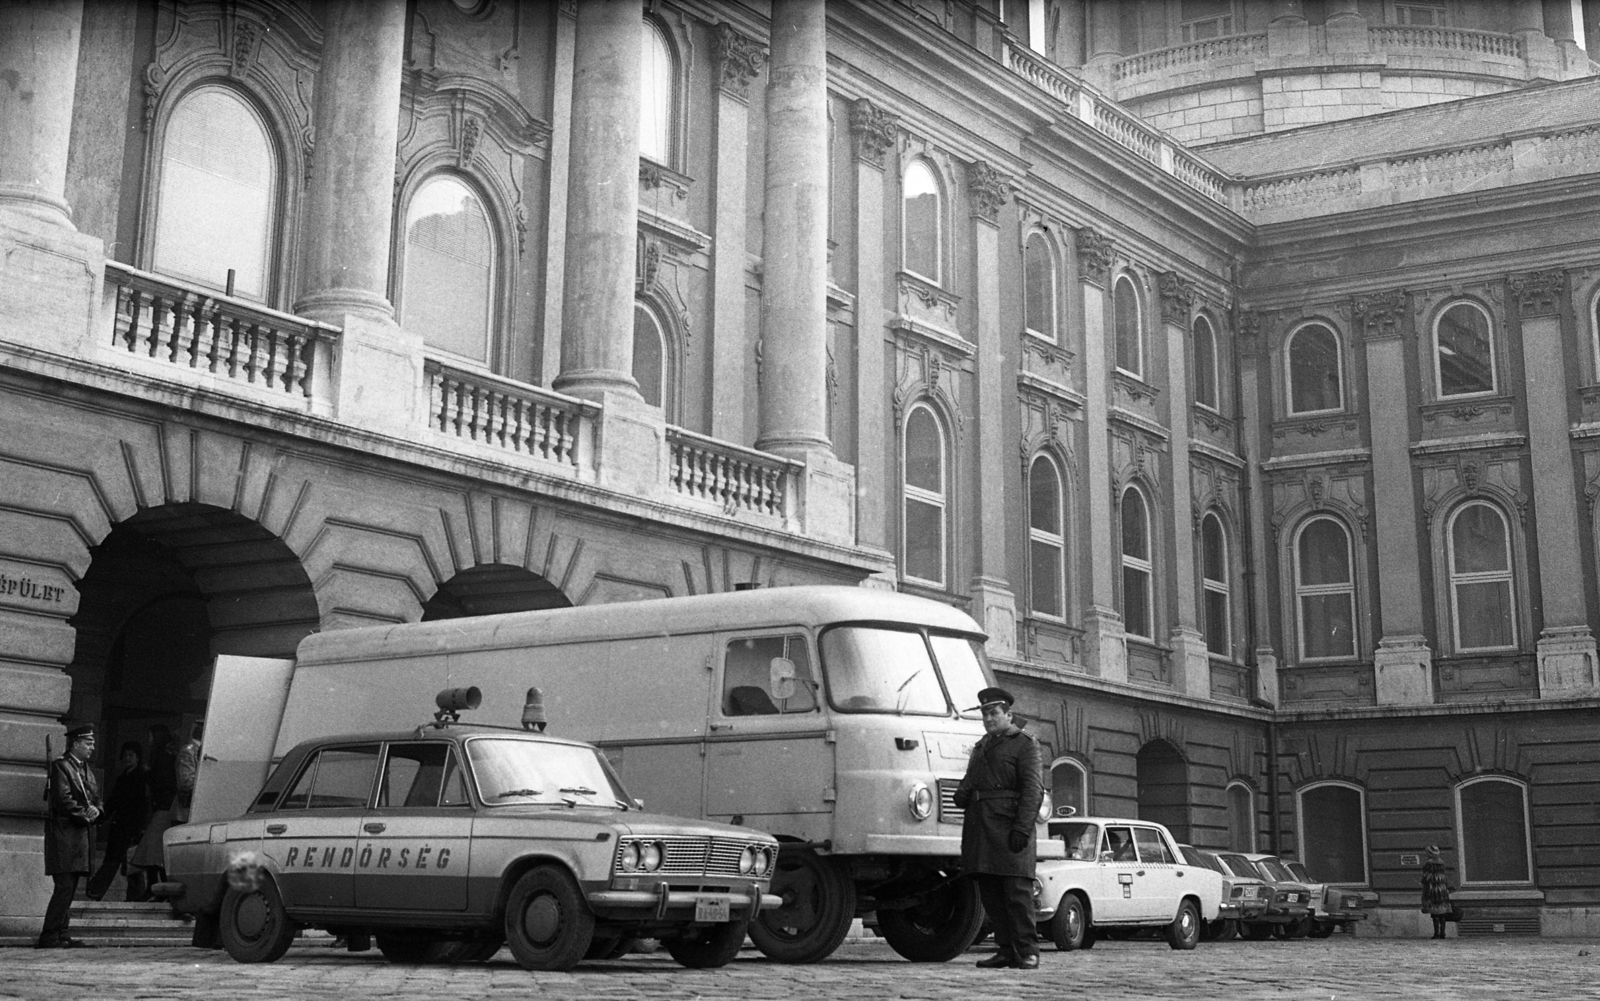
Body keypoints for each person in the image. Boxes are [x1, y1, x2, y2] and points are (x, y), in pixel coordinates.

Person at [952, 686, 1044, 970]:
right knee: (991, 894)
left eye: (994, 713)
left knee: (1017, 894)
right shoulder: (981, 746)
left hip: (1009, 829)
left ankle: (1028, 951)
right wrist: (963, 792)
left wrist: (1022, 828)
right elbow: (971, 780)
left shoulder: (1025, 743)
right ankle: (1006, 950)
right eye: (985, 714)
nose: (989, 718)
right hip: (981, 830)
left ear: (1008, 714)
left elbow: (1033, 790)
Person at [38, 723, 102, 949]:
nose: (92, 747)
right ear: (75, 744)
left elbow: (96, 799)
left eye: (92, 743)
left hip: (79, 838)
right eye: (88, 743)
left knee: (70, 889)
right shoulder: (61, 767)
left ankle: (62, 934)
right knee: (64, 887)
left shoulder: (86, 769)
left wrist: (97, 810)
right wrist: (85, 816)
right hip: (64, 836)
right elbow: (63, 799)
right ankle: (49, 935)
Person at [85, 741, 150, 902]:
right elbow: (114, 800)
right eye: (126, 755)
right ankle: (135, 895)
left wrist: (140, 827)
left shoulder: (140, 777)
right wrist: (103, 816)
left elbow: (141, 805)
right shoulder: (124, 777)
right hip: (121, 824)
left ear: (138, 758)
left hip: (131, 825)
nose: (127, 758)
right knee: (126, 861)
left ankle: (97, 890)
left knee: (126, 861)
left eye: (131, 755)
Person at [129, 724, 177, 891]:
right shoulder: (164, 756)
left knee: (152, 851)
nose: (149, 740)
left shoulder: (162, 757)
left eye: (150, 736)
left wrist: (148, 775)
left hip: (163, 807)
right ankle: (157, 887)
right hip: (163, 807)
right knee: (155, 852)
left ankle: (156, 887)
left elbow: (162, 782)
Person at [1420, 844, 1453, 939]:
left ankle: (1436, 933)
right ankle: (1443, 933)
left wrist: (1423, 881)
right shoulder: (1441, 862)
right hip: (1442, 889)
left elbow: (1427, 877)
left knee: (1434, 912)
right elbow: (1444, 877)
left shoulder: (1428, 863)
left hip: (1433, 889)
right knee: (1442, 912)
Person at [173, 720, 203, 824]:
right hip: (185, 813)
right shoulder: (189, 751)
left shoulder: (200, 750)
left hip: (195, 811)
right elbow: (187, 782)